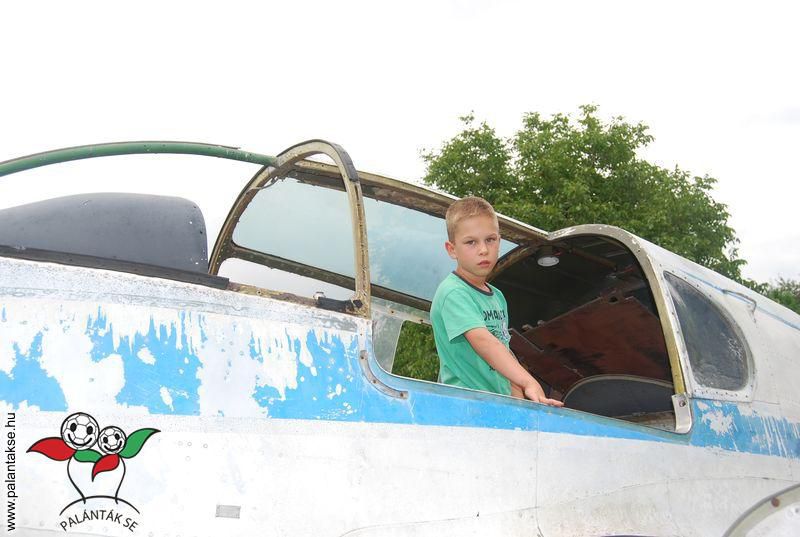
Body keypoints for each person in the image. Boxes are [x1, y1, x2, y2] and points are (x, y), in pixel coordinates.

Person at [430, 196, 563, 406]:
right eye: (471, 242)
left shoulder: (497, 296)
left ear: (499, 242)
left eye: (490, 240)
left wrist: (521, 405)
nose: (483, 249)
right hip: (467, 404)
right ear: (452, 249)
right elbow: (484, 342)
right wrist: (528, 381)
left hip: (497, 404)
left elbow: (503, 350)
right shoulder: (453, 293)